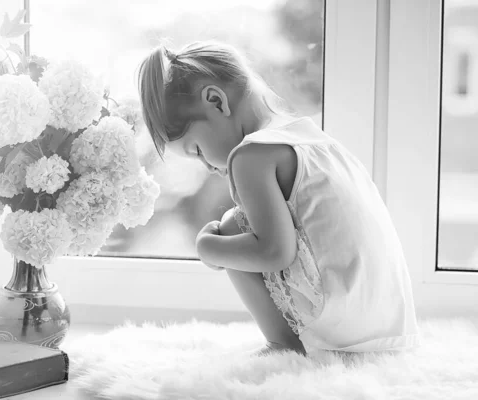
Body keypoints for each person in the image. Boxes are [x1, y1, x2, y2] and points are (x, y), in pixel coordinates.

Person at [137, 40, 420, 356]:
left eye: (198, 151)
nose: (210, 168)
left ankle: (283, 345)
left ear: (216, 102)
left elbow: (275, 252)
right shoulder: (312, 137)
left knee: (231, 225)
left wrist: (209, 248)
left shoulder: (249, 156)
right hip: (392, 323)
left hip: (342, 326)